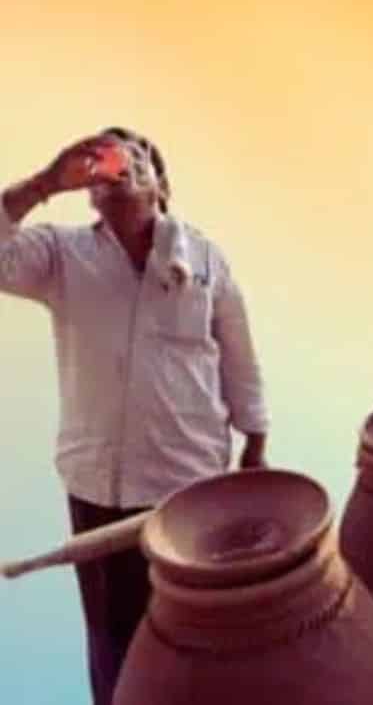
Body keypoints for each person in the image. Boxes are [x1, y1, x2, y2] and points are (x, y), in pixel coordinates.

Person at [0, 129, 267, 705]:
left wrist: (257, 446)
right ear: (90, 191)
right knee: (112, 643)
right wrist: (46, 182)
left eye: (137, 154)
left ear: (163, 187)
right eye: (105, 158)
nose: (120, 164)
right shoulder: (59, 255)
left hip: (187, 484)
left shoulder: (204, 260)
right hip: (97, 486)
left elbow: (238, 352)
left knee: (196, 633)